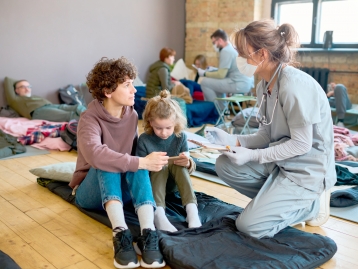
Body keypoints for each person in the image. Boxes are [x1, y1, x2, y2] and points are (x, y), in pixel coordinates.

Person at [205, 19, 336, 239]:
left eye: (243, 52)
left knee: (249, 226)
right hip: (281, 163)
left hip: (306, 172)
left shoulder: (294, 85)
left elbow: (302, 144)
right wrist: (233, 139)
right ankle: (276, 202)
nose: (240, 58)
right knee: (224, 164)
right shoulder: (263, 86)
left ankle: (310, 206)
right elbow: (266, 134)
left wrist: (254, 155)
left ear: (262, 54)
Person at [69, 57, 166, 268]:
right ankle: (120, 234)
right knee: (110, 160)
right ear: (108, 91)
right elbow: (96, 155)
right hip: (89, 193)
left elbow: (135, 156)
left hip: (122, 190)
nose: (134, 90)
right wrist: (139, 162)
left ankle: (148, 232)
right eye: (127, 85)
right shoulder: (89, 119)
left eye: (132, 83)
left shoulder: (131, 115)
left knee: (137, 161)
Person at [136, 90, 201, 232]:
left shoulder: (180, 137)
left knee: (179, 163)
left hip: (174, 185)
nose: (164, 132)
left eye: (168, 128)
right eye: (158, 128)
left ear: (175, 123)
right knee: (160, 164)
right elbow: (140, 173)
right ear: (150, 122)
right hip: (155, 187)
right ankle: (159, 213)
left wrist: (188, 162)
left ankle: (192, 211)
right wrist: (152, 163)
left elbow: (190, 166)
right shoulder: (145, 140)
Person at [197, 29, 254, 110]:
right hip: (246, 83)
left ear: (220, 40)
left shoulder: (226, 51)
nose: (214, 45)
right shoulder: (233, 49)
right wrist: (214, 70)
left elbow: (221, 75)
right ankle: (223, 111)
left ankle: (214, 111)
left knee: (204, 82)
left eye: (214, 43)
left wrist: (204, 73)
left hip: (238, 83)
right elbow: (226, 71)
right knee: (215, 85)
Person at [4, 79, 86, 122]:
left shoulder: (35, 97)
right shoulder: (15, 100)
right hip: (38, 111)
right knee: (70, 115)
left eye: (28, 86)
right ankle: (92, 123)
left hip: (52, 106)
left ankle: (94, 118)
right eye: (23, 87)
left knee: (78, 107)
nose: (27, 88)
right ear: (16, 90)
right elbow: (8, 81)